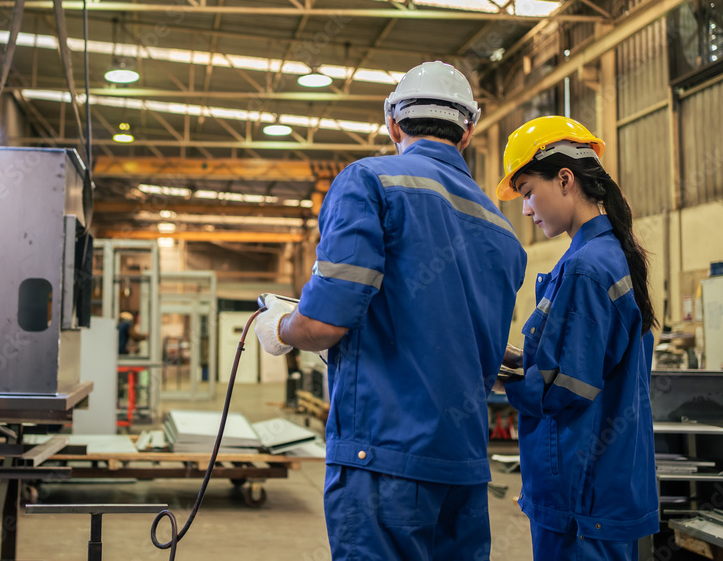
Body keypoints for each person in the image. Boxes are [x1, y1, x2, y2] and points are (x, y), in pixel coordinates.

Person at [256, 61, 527, 560]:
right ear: (468, 131)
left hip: (382, 460)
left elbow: (321, 323)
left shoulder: (369, 182)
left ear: (393, 124)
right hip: (464, 471)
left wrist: (280, 327)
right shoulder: (504, 232)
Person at [495, 115, 658, 561]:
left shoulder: (586, 267)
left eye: (528, 193)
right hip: (603, 487)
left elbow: (564, 386)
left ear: (565, 179)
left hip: (579, 494)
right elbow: (577, 362)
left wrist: (497, 374)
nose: (526, 209)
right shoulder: (607, 256)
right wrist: (512, 358)